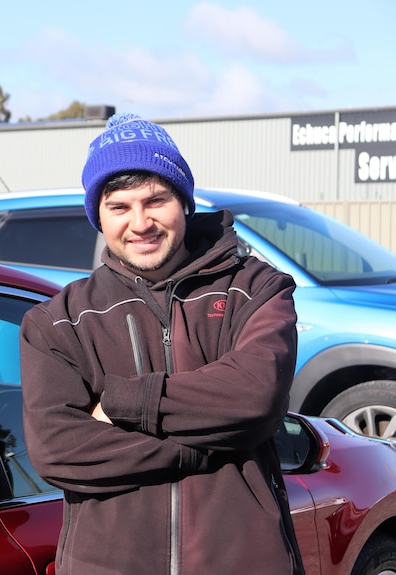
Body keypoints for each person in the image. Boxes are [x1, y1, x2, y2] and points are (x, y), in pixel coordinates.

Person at [20, 113, 304, 574]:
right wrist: (201, 448)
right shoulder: (58, 322)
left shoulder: (257, 290)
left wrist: (124, 400)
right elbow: (57, 448)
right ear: (98, 216)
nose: (141, 223)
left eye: (156, 200)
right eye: (119, 207)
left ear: (184, 202)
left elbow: (254, 397)